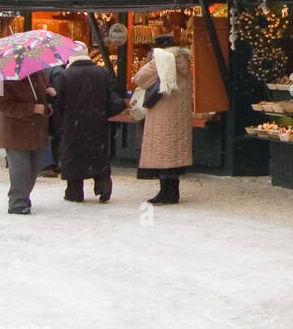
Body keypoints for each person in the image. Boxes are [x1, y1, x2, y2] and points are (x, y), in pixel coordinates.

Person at [52, 41, 127, 203]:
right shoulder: (101, 72)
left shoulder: (64, 75)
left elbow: (59, 103)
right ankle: (103, 186)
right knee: (98, 155)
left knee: (73, 157)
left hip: (73, 124)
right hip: (97, 122)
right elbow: (108, 95)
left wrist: (59, 124)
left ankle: (74, 192)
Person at [134, 33, 194, 205]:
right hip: (180, 115)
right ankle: (173, 191)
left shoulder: (161, 60)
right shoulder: (183, 60)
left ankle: (164, 191)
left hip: (163, 113)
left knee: (163, 152)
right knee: (174, 153)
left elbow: (140, 78)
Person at [0, 75, 54, 214]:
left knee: (33, 169)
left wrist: (50, 96)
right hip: (15, 133)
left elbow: (45, 101)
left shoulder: (40, 75)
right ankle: (17, 202)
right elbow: (4, 106)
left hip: (37, 131)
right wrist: (31, 108)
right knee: (20, 170)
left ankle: (23, 197)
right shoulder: (3, 79)